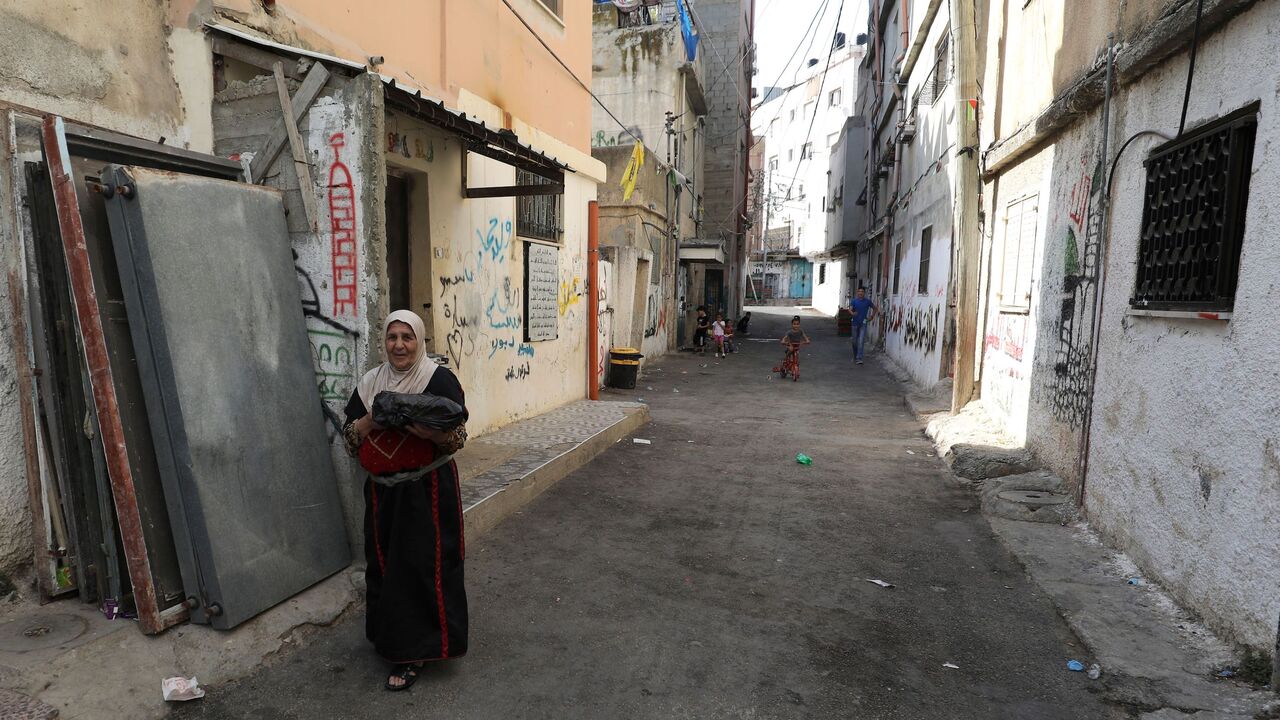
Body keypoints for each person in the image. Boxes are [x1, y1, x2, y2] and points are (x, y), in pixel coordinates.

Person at [343, 310, 469, 691]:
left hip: (427, 490)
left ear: (420, 340)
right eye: (393, 338)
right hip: (382, 492)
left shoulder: (438, 379)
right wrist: (370, 423)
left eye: (407, 338)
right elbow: (350, 440)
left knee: (420, 568)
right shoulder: (371, 382)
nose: (399, 345)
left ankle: (415, 653)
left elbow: (459, 436)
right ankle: (390, 639)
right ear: (385, 341)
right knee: (384, 565)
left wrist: (432, 436)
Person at [849, 287, 879, 365]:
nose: (860, 293)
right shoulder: (854, 301)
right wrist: (852, 313)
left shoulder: (867, 302)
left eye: (862, 291)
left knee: (861, 341)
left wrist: (871, 317)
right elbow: (850, 309)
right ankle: (855, 355)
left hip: (863, 323)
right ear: (857, 293)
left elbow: (875, 308)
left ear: (864, 293)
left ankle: (859, 358)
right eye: (859, 291)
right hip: (854, 323)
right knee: (854, 342)